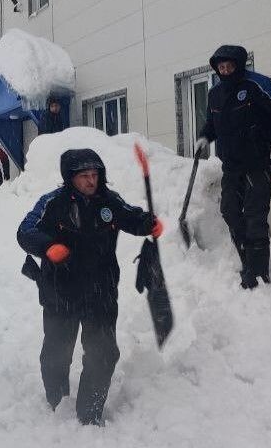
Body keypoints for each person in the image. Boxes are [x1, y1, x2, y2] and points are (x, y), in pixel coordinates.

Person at [17, 148, 162, 424]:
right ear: (70, 177)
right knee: (57, 354)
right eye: (84, 176)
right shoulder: (53, 203)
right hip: (61, 291)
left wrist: (148, 224)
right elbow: (25, 231)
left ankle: (89, 413)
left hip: (100, 292)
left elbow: (131, 217)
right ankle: (57, 401)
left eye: (95, 175)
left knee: (104, 352)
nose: (91, 181)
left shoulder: (109, 201)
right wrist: (48, 247)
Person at [195, 44, 271, 289]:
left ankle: (258, 274)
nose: (225, 71)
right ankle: (247, 260)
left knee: (254, 216)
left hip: (259, 162)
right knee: (229, 211)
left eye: (229, 66)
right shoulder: (215, 94)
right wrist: (204, 137)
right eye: (221, 67)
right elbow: (213, 123)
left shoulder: (258, 84)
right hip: (232, 165)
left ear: (238, 65)